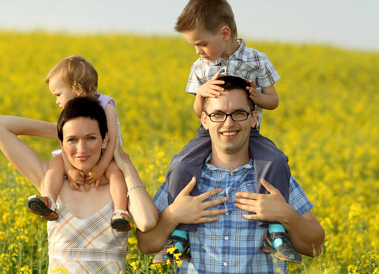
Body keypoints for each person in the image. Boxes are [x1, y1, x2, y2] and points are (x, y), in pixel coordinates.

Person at [157, 0, 299, 264]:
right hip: (208, 132)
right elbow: (199, 113)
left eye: (201, 44)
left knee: (277, 160)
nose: (197, 51)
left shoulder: (257, 60)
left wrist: (258, 99)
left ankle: (276, 231)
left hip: (249, 130)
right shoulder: (200, 67)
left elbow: (274, 100)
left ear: (224, 33)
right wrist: (201, 94)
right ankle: (180, 234)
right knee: (181, 164)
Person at [138, 76, 325, 273]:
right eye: (218, 114)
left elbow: (315, 247)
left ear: (253, 118)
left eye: (238, 113)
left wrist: (286, 214)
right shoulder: (185, 176)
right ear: (204, 120)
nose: (228, 123)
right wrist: (173, 215)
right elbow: (146, 245)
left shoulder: (273, 175)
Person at [0, 96, 158, 273]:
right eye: (72, 140)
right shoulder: (52, 182)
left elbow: (146, 222)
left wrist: (126, 166)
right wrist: (64, 126)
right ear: (60, 142)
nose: (82, 149)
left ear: (105, 140)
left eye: (90, 138)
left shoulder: (120, 189)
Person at [23, 55, 130, 231]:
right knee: (55, 163)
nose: (57, 100)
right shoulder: (69, 112)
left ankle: (120, 212)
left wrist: (101, 168)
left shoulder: (106, 104)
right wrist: (70, 170)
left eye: (58, 94)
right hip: (77, 159)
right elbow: (65, 147)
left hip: (105, 156)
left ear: (77, 89)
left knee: (116, 174)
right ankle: (49, 199)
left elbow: (111, 140)